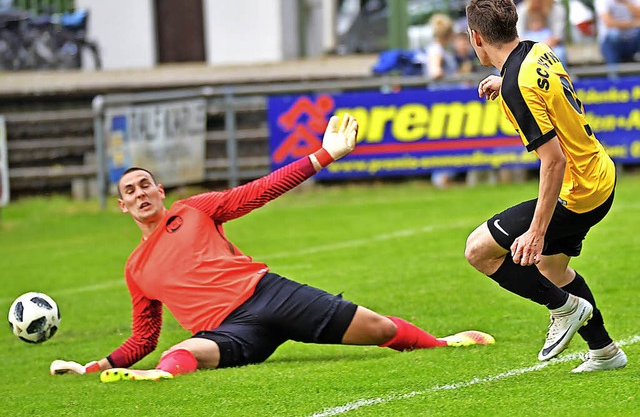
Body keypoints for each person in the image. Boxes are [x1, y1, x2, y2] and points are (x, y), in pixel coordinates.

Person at [50, 114, 494, 382]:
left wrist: (323, 155)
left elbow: (258, 190)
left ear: (160, 190)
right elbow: (144, 335)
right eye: (131, 190)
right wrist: (93, 365)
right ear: (122, 205)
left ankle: (439, 344)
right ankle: (159, 377)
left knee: (378, 329)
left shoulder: (194, 210)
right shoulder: (135, 269)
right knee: (182, 352)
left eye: (146, 183)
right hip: (229, 331)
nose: (141, 192)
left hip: (268, 294)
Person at [464, 0, 627, 372]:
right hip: (599, 174)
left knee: (479, 251)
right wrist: (502, 81)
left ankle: (564, 308)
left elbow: (552, 162)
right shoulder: (538, 50)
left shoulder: (516, 86)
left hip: (577, 191)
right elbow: (539, 89)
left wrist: (537, 231)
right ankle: (605, 352)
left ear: (476, 38)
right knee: (553, 270)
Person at [593, 0, 640, 64]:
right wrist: (634, 23)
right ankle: (614, 74)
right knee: (614, 35)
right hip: (611, 41)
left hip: (634, 39)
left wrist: (624, 0)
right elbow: (609, 23)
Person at [516, 0, 567, 64]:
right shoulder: (522, 10)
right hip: (526, 47)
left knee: (559, 55)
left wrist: (542, 49)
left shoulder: (557, 9)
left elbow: (557, 36)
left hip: (551, 47)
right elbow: (519, 35)